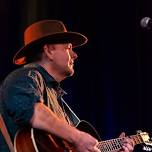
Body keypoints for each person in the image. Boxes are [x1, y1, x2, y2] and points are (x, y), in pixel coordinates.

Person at [0, 20, 134, 152]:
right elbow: (28, 109)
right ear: (49, 50)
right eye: (68, 48)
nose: (75, 55)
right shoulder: (24, 76)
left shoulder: (54, 95)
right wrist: (78, 137)